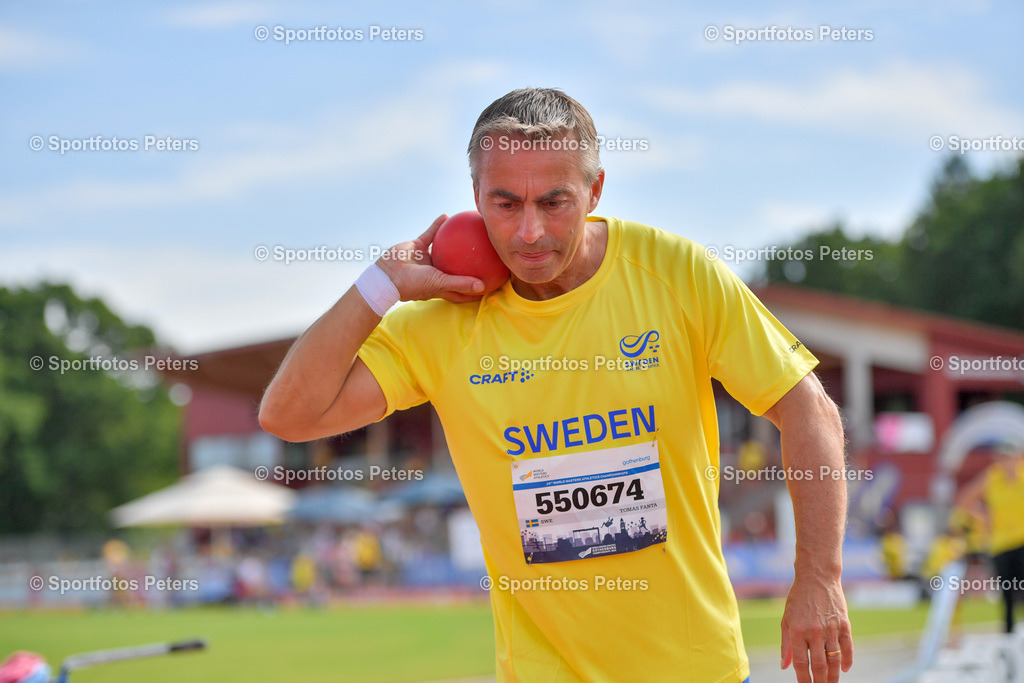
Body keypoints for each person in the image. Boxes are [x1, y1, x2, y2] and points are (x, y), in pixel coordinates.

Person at [260, 88, 853, 682]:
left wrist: (819, 577)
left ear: (595, 191)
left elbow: (811, 413)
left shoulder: (676, 275)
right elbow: (288, 416)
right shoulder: (441, 326)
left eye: (554, 201)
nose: (530, 232)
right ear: (475, 199)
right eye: (506, 203)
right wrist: (380, 285)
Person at [955, 440, 1024, 633]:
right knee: (1007, 592)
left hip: (1022, 540)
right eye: (1003, 458)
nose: (1007, 462)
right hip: (1000, 543)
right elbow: (964, 500)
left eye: (1010, 458)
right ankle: (1009, 632)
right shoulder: (992, 477)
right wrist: (983, 518)